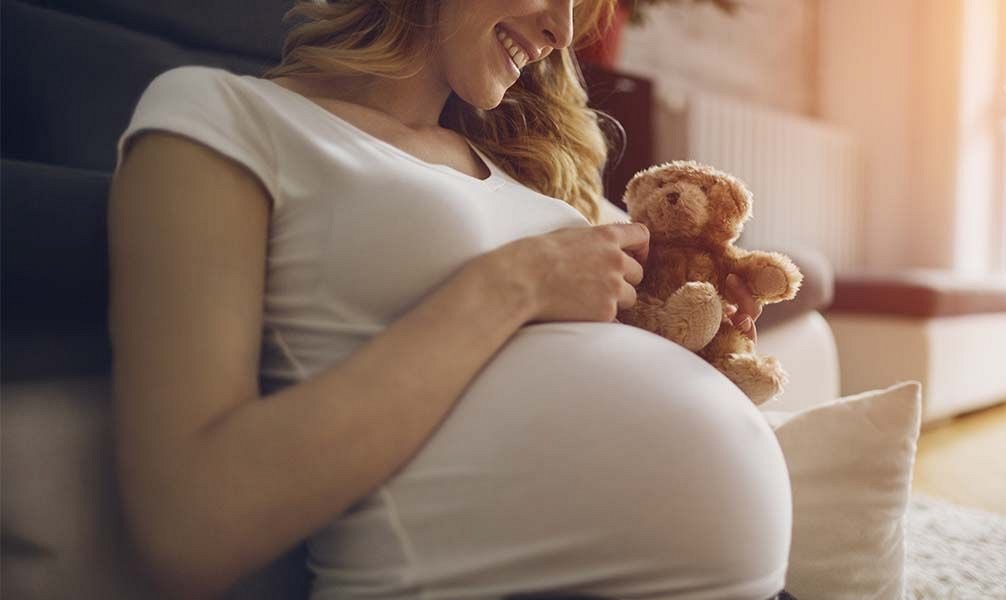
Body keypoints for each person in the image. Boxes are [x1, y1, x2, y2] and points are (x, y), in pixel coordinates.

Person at [107, 1, 792, 598]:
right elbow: (185, 529)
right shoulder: (224, 114)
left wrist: (689, 328)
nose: (563, 25)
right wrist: (513, 284)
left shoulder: (521, 165)